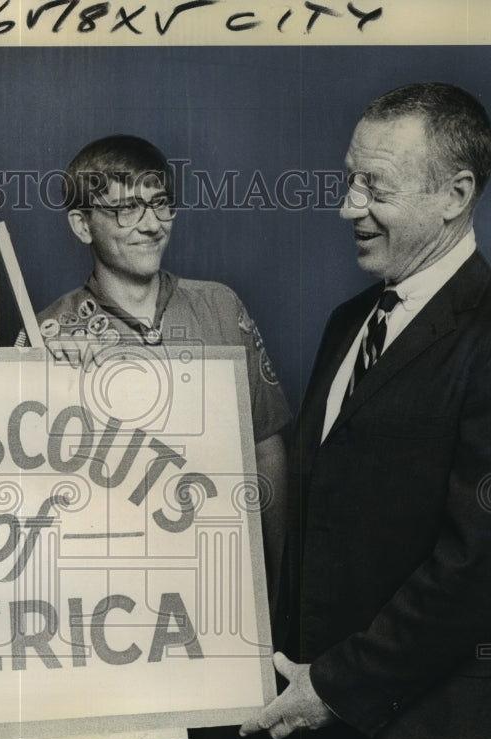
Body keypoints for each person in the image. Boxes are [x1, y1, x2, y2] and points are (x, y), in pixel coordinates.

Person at [240, 83, 491, 739]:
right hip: (314, 724)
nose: (347, 208)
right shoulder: (348, 324)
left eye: (375, 188)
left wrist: (333, 687)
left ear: (455, 195)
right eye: (349, 180)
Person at [20, 134, 291, 598]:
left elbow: (265, 446)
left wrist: (279, 582)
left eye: (161, 204)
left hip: (221, 574)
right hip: (109, 588)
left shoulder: (221, 307)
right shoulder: (46, 335)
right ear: (83, 225)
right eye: (126, 208)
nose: (151, 225)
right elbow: (27, 487)